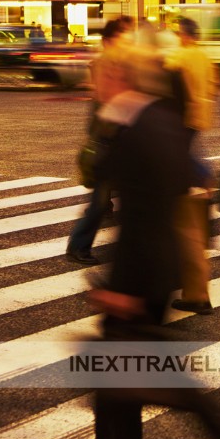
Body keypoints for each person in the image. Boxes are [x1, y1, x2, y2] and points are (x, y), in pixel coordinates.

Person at [89, 55, 220, 439]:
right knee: (132, 366)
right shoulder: (164, 119)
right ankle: (206, 416)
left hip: (138, 271)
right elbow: (181, 180)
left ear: (115, 77)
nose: (94, 90)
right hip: (164, 264)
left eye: (99, 81)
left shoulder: (131, 129)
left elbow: (121, 197)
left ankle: (199, 416)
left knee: (117, 377)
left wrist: (119, 288)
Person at [165, 17, 220, 315]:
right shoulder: (204, 55)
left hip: (182, 118)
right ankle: (202, 177)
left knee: (185, 159)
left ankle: (203, 176)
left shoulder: (180, 56)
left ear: (182, 34)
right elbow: (214, 86)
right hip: (200, 116)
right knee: (189, 153)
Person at [66, 18, 133, 265]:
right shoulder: (106, 63)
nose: (128, 40)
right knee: (98, 202)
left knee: (110, 201)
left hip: (118, 140)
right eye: (123, 36)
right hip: (108, 142)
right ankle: (78, 246)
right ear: (109, 41)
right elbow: (106, 101)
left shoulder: (121, 63)